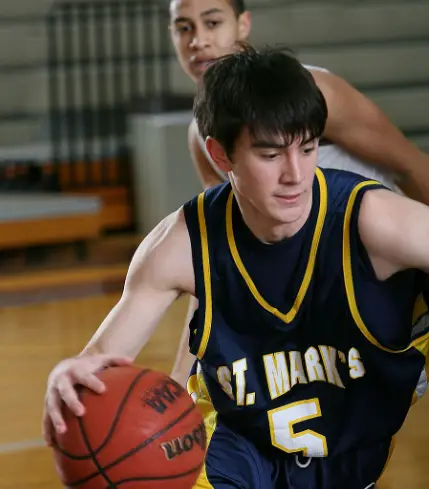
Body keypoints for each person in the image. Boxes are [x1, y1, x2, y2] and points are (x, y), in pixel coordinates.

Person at [44, 45, 429, 488]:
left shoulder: (375, 223)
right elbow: (101, 363)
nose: (296, 174)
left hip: (352, 449)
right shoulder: (181, 245)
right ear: (221, 155)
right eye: (270, 155)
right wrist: (70, 371)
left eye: (307, 149)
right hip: (233, 445)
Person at [167, 0, 429, 386]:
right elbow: (215, 257)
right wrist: (179, 377)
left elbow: (413, 166)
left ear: (243, 25)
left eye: (212, 22)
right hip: (319, 299)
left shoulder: (315, 92)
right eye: (184, 28)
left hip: (386, 279)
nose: (198, 41)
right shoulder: (202, 136)